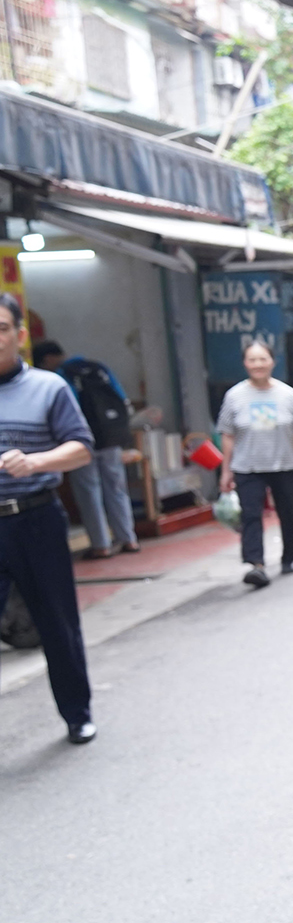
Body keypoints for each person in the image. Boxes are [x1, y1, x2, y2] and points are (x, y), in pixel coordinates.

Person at [0, 297, 97, 744]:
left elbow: (80, 447)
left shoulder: (49, 388)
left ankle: (77, 714)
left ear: (20, 335)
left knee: (57, 622)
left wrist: (36, 462)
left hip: (36, 520)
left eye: (2, 327)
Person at [215, 342, 293, 589]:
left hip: (285, 464)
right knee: (251, 515)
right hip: (247, 466)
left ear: (272, 362)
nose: (258, 365)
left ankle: (289, 557)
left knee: (288, 512)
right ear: (245, 364)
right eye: (252, 360)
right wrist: (226, 470)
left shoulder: (287, 395)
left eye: (262, 359)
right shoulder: (234, 396)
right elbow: (227, 435)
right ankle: (256, 565)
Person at [31, 340, 140, 558]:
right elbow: (121, 398)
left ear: (48, 359)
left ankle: (101, 545)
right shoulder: (99, 368)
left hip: (84, 443)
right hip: (111, 439)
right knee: (117, 489)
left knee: (89, 492)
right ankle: (128, 539)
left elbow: (65, 411)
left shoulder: (62, 375)